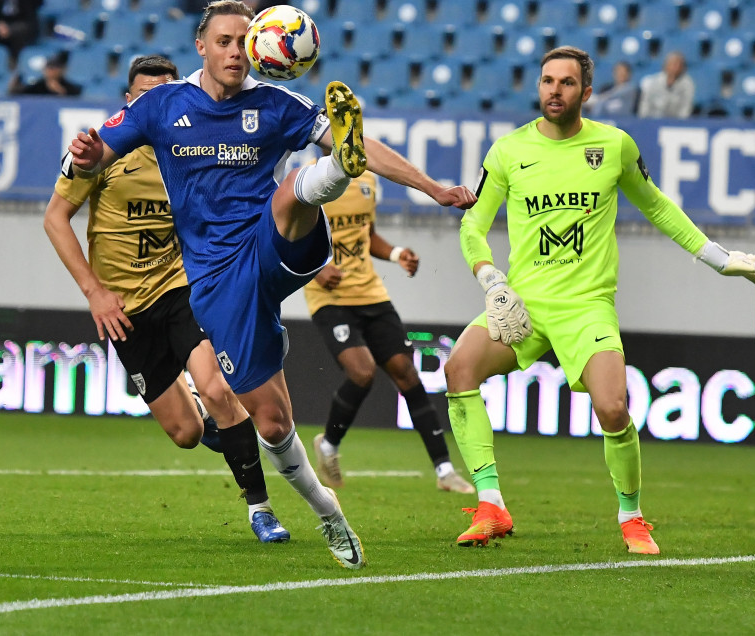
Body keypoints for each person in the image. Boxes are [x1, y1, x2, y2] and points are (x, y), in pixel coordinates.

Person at [67, 0, 476, 569]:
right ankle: (329, 513)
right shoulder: (162, 105)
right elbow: (92, 159)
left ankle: (334, 170)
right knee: (273, 421)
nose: (236, 51)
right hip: (213, 280)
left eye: (244, 41)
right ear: (202, 48)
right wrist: (86, 159)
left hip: (272, 244)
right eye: (226, 41)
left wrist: (432, 188)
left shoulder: (277, 105)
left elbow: (368, 145)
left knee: (293, 191)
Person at [443, 45, 755, 553]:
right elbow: (473, 224)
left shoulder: (615, 145)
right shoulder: (508, 151)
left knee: (613, 407)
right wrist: (491, 278)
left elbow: (659, 207)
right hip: (524, 304)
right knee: (458, 369)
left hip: (586, 307)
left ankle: (632, 516)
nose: (554, 90)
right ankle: (491, 505)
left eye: (566, 83)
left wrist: (717, 257)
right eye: (547, 81)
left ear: (587, 92)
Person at [45, 54, 292, 544]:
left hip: (181, 287)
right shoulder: (101, 154)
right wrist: (95, 293)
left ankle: (261, 510)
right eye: (143, 97)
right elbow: (55, 220)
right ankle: (207, 416)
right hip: (122, 308)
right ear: (130, 104)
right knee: (186, 433)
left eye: (164, 94)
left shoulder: (195, 149)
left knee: (221, 390)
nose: (154, 104)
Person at [303, 162, 475, 495]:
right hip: (330, 297)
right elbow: (287, 235)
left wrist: (396, 253)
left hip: (371, 293)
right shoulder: (308, 180)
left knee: (406, 373)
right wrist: (316, 269)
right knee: (363, 371)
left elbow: (365, 236)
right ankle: (329, 446)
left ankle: (444, 470)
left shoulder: (366, 179)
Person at [637, 51, 694, 119]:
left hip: (675, 123)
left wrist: (680, 123)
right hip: (653, 120)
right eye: (673, 64)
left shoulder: (687, 84)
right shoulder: (652, 82)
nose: (675, 67)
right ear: (666, 65)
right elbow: (645, 105)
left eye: (679, 64)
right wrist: (643, 120)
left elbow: (686, 108)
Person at [10, 51, 82, 96]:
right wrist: (13, 88)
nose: (50, 70)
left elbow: (75, 105)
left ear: (62, 69)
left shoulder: (70, 88)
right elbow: (19, 97)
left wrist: (60, 92)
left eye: (54, 67)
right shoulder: (37, 87)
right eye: (48, 67)